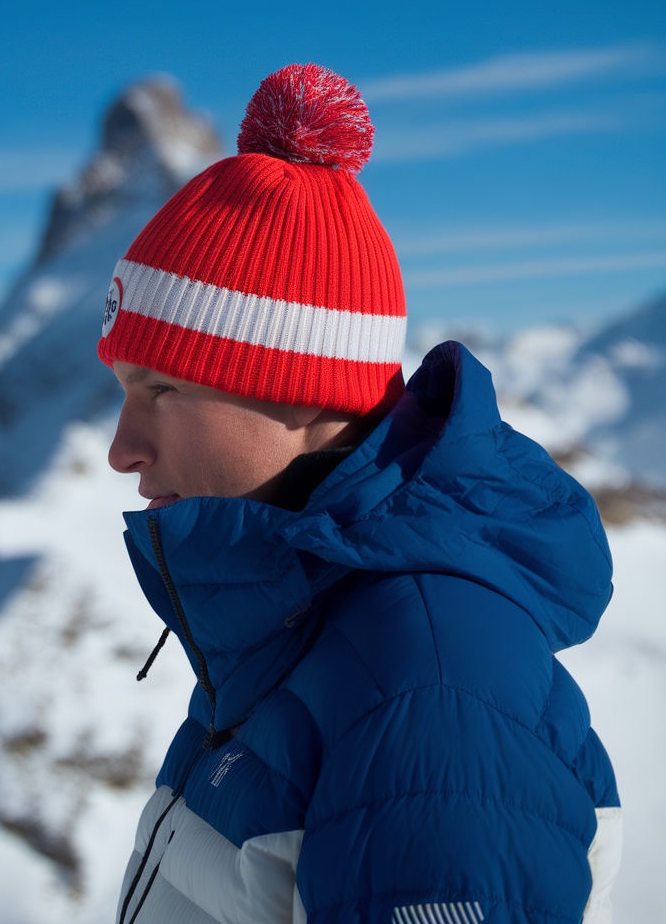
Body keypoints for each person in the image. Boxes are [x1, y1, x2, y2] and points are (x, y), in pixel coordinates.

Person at [98, 64, 621, 924]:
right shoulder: (295, 617)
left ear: (303, 389)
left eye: (161, 391)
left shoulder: (427, 699)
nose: (122, 449)